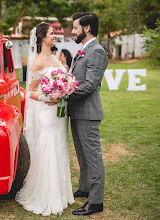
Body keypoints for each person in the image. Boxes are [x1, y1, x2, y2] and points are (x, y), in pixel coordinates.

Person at [15, 23, 74, 216]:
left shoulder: (55, 58)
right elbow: (30, 91)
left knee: (60, 146)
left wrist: (65, 88)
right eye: (51, 33)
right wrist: (48, 98)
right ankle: (47, 196)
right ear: (42, 38)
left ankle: (61, 194)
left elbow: (62, 79)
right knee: (49, 147)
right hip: (48, 111)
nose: (54, 35)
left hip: (60, 111)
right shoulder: (38, 61)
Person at [67, 12, 108, 216]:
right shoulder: (83, 50)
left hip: (88, 113)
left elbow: (91, 85)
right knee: (82, 156)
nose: (73, 31)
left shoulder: (97, 51)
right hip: (77, 111)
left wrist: (65, 93)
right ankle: (84, 188)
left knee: (93, 158)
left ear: (87, 28)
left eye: (75, 27)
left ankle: (96, 201)